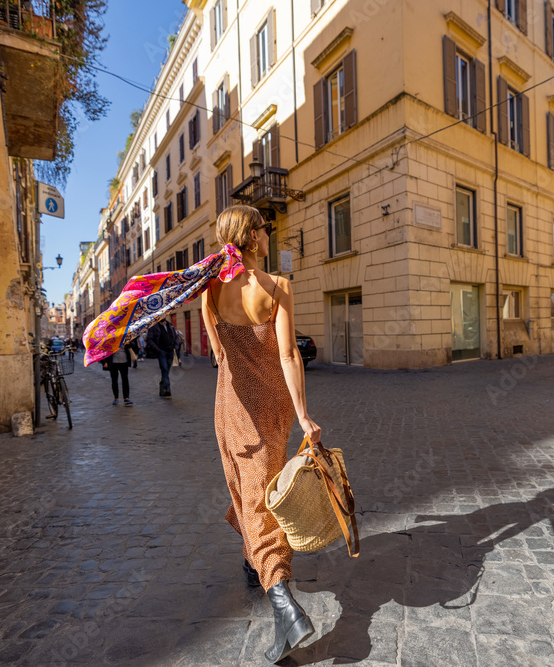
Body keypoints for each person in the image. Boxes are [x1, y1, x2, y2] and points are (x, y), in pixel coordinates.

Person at [202, 205, 322, 664]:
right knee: (257, 489)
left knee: (252, 491)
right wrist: (304, 415)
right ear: (251, 238)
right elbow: (290, 355)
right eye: (264, 230)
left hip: (233, 405)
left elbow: (218, 354)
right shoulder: (277, 287)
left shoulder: (209, 290)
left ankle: (285, 605)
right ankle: (254, 559)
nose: (269, 236)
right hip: (275, 408)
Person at [145, 320, 175, 397]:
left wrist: (176, 347)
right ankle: (167, 388)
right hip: (162, 352)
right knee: (164, 369)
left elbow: (175, 336)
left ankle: (162, 389)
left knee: (166, 371)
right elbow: (149, 339)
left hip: (170, 351)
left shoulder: (170, 325)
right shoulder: (154, 327)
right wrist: (158, 350)